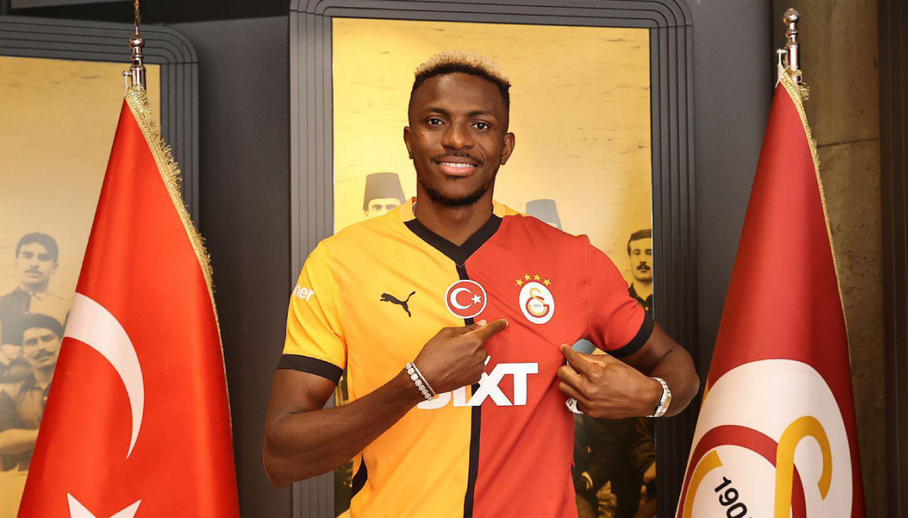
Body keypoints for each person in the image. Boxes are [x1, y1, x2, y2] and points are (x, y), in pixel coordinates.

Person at [263, 51, 699, 517]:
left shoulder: (572, 258)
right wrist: (416, 384)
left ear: (505, 147)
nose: (457, 139)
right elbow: (282, 459)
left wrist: (654, 397)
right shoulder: (340, 261)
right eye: (435, 121)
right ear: (409, 140)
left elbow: (678, 367)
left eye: (481, 125)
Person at [0, 313, 63, 471]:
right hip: (28, 474)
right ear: (23, 352)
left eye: (47, 339)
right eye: (31, 342)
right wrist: (54, 434)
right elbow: (3, 440)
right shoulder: (11, 393)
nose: (41, 347)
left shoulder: (84, 384)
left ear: (62, 342)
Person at [0, 233, 68, 347]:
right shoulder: (1, 304)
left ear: (54, 267)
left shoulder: (65, 308)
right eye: (27, 256)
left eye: (43, 258)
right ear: (16, 261)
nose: (34, 264)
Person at [626, 229, 653, 313]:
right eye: (637, 253)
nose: (642, 260)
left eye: (649, 253)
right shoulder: (620, 301)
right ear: (630, 259)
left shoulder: (672, 299)